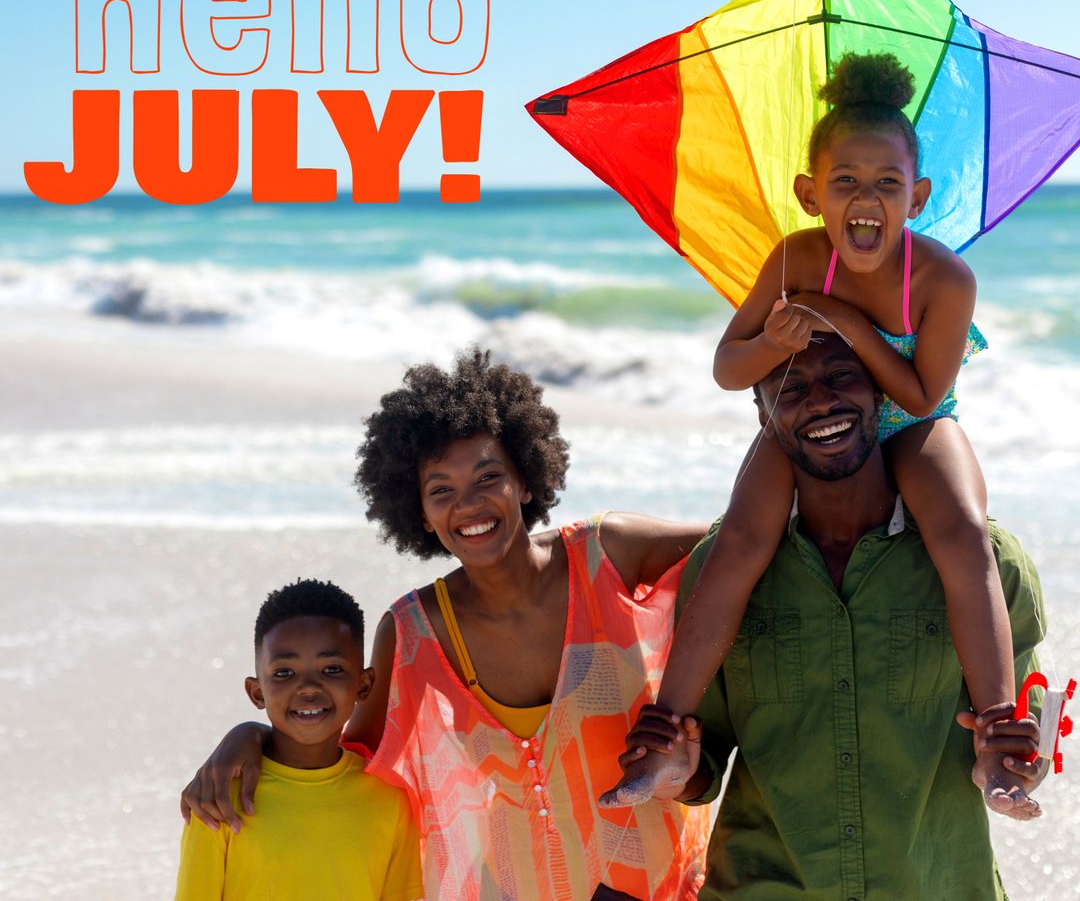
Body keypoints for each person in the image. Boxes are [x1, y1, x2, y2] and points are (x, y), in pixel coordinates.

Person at [605, 52, 1027, 816]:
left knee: (963, 533)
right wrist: (778, 338)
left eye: (888, 184)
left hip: (913, 420)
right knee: (737, 542)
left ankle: (998, 733)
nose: (866, 200)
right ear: (810, 194)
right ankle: (665, 730)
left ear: (918, 195)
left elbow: (924, 391)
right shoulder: (798, 257)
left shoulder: (943, 280)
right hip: (813, 417)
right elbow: (730, 368)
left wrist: (852, 327)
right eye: (845, 182)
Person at [180, 350, 711, 900]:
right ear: (422, 515)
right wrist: (249, 735)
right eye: (441, 491)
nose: (469, 504)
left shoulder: (609, 555)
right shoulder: (414, 633)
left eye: (488, 477)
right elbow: (346, 757)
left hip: (665, 885)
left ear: (525, 481)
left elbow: (742, 547)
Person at [615, 334, 1046, 900]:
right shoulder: (723, 572)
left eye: (841, 375)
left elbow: (1020, 738)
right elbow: (703, 757)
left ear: (879, 391)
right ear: (762, 409)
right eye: (790, 387)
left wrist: (1014, 768)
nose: (819, 402)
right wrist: (678, 774)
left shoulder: (983, 565)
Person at [174, 579, 423, 901]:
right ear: (257, 692)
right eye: (284, 673)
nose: (307, 687)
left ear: (364, 685)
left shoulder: (391, 799)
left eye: (331, 669)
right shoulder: (219, 799)